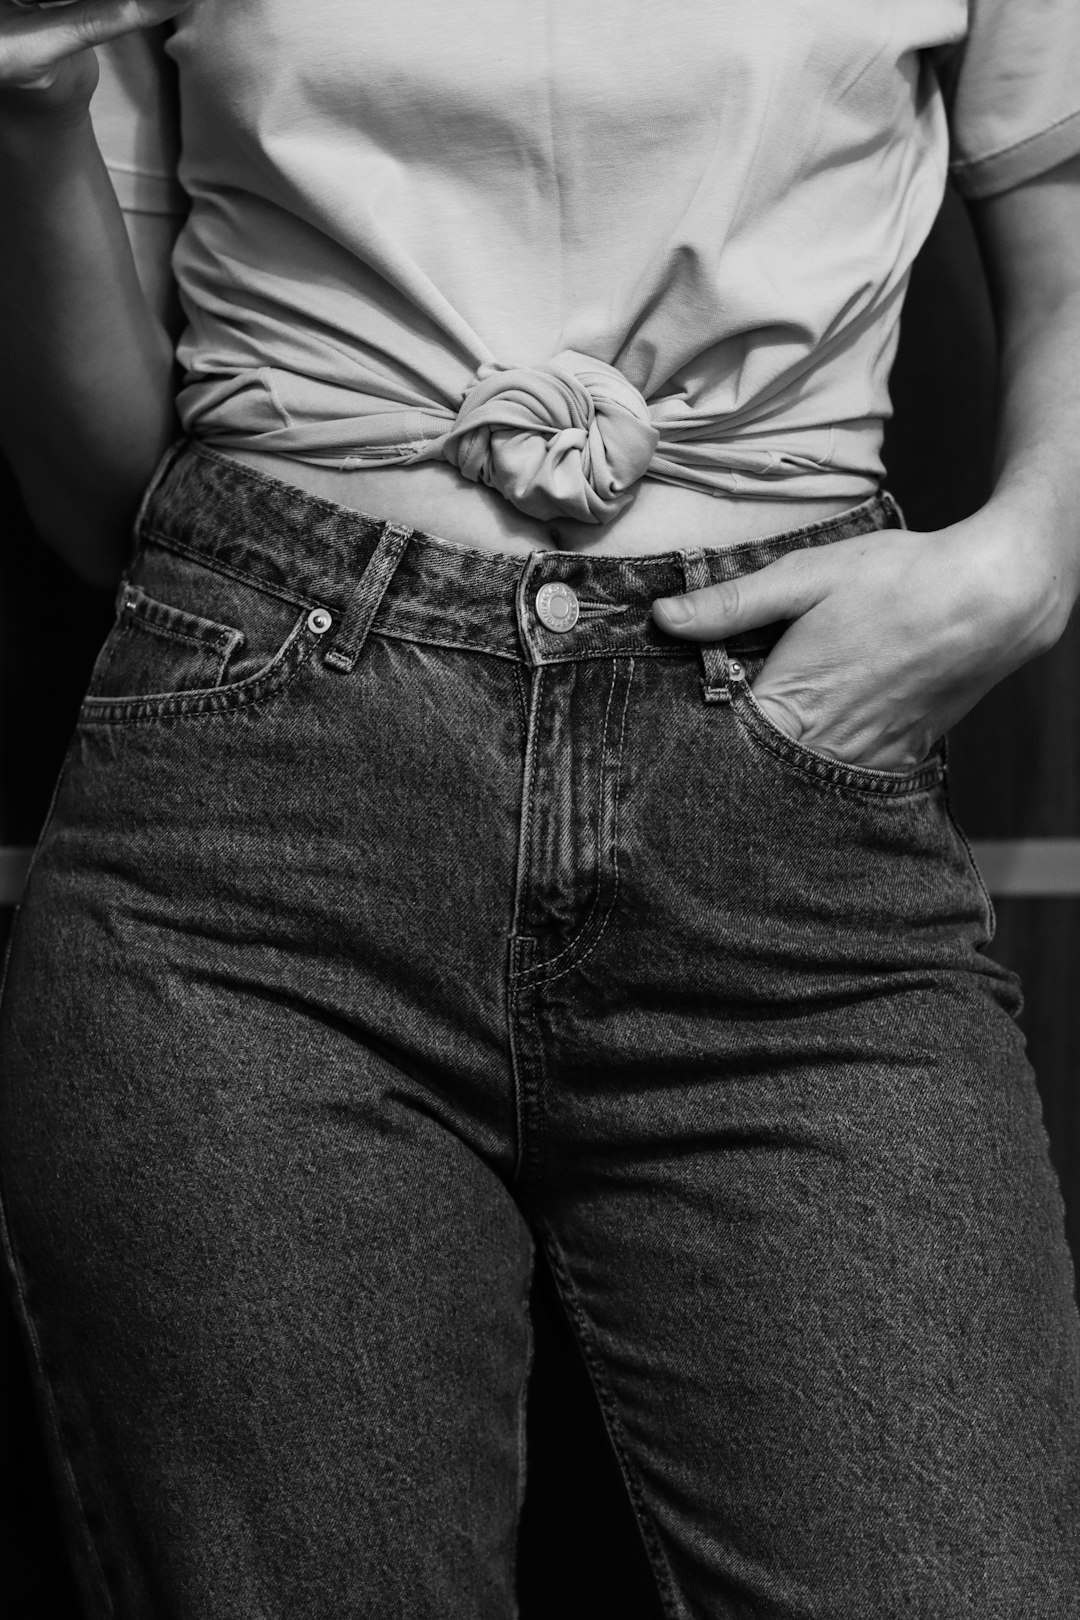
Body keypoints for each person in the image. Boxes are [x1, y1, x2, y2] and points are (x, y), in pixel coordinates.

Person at [1, 1, 1079, 1614]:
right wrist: (22, 115)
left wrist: (1032, 553)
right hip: (263, 818)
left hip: (784, 825)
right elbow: (104, 491)